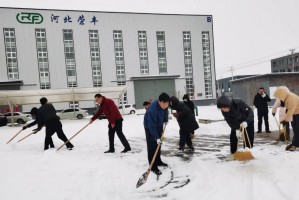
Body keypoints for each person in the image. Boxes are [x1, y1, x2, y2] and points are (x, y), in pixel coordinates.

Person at [144, 93, 169, 175]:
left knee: (159, 144)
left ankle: (158, 161)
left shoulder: (165, 105)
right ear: (159, 101)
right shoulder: (152, 109)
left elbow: (165, 111)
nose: (165, 106)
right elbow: (151, 126)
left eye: (167, 104)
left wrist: (165, 120)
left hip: (159, 125)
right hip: (150, 127)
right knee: (152, 146)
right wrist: (156, 137)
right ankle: (153, 167)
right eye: (164, 104)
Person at [273, 86, 299, 151]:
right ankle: (295, 143)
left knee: (297, 129)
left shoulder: (291, 98)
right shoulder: (287, 97)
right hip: (295, 114)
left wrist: (285, 120)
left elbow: (291, 110)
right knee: (296, 129)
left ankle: (295, 144)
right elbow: (289, 108)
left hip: (297, 113)